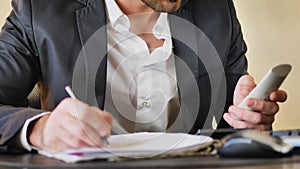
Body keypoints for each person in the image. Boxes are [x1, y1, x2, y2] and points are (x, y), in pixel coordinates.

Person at [0, 0, 287, 153]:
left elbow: (231, 126)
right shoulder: (40, 9)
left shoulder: (216, 8)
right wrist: (39, 130)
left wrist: (247, 121)